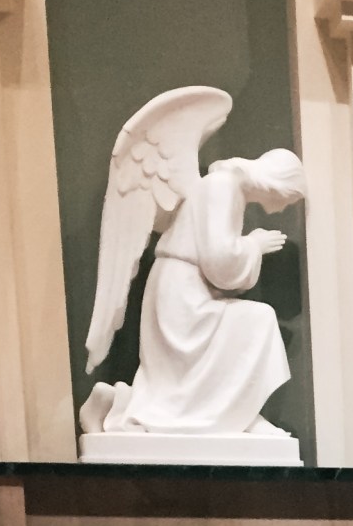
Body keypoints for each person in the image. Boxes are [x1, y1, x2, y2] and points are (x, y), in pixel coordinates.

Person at [80, 148, 305, 439]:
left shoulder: (227, 187)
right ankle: (242, 415)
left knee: (191, 369)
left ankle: (119, 401)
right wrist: (254, 245)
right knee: (259, 320)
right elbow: (220, 261)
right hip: (182, 292)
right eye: (289, 199)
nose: (283, 208)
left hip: (185, 287)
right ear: (279, 184)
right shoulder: (222, 186)